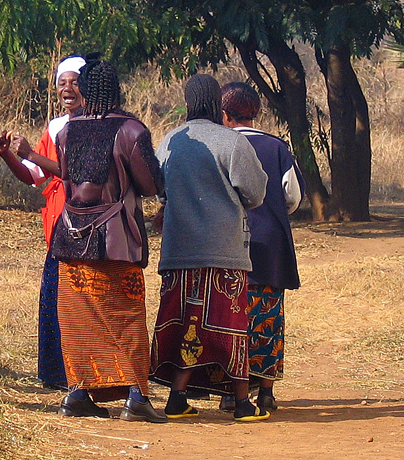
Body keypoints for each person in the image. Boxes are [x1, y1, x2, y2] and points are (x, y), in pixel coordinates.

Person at [50, 58, 166, 422]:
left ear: (84, 90)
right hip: (116, 240)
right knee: (126, 316)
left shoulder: (67, 131)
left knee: (79, 318)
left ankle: (79, 392)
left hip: (71, 236)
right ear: (117, 90)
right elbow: (150, 184)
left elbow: (66, 180)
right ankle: (135, 395)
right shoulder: (131, 130)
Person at [149, 73, 271, 422]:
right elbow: (256, 193)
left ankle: (177, 397)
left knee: (187, 323)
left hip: (179, 251)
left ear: (188, 104)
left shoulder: (170, 141)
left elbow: (161, 191)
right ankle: (243, 404)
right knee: (229, 325)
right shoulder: (231, 142)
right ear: (219, 104)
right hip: (224, 250)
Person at [0, 55, 86, 390]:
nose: (68, 89)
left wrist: (30, 153)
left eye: (74, 82)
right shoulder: (56, 127)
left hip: (86, 224)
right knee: (54, 297)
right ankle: (57, 374)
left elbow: (80, 173)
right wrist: (8, 154)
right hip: (59, 223)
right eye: (62, 83)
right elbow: (34, 177)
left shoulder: (97, 124)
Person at [218, 82, 305, 412]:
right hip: (270, 247)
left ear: (224, 114)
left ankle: (230, 391)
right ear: (256, 112)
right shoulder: (276, 147)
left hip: (228, 246)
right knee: (268, 316)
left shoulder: (221, 145)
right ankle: (266, 391)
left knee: (230, 318)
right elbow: (293, 196)